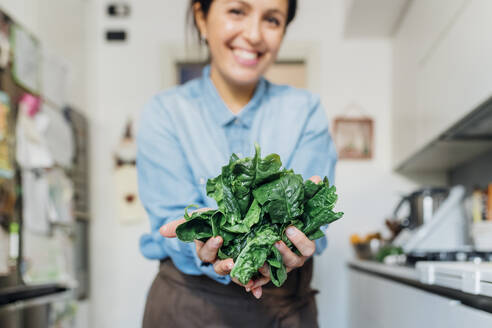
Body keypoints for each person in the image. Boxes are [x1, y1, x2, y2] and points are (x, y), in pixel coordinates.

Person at [137, 0, 337, 327]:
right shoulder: (166, 112)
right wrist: (199, 240)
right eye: (237, 11)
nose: (254, 34)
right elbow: (171, 218)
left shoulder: (305, 111)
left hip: (284, 309)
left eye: (272, 19)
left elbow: (311, 220)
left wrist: (298, 238)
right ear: (202, 18)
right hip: (188, 308)